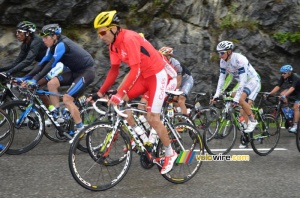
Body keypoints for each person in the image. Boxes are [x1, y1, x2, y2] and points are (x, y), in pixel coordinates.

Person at [91, 10, 177, 174]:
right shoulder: (113, 45)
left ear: (114, 28)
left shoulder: (129, 38)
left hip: (157, 76)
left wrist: (119, 92)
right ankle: (141, 140)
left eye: (103, 31)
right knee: (122, 103)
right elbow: (114, 70)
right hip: (144, 76)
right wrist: (100, 93)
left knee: (152, 118)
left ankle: (170, 153)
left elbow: (135, 70)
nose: (101, 36)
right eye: (98, 33)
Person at [25, 24, 95, 135]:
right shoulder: (52, 47)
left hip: (86, 72)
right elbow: (41, 64)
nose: (43, 40)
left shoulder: (62, 44)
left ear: (54, 36)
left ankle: (80, 129)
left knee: (67, 99)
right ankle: (57, 115)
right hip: (74, 72)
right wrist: (27, 77)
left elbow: (51, 64)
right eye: (42, 37)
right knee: (52, 83)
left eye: (45, 37)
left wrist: (36, 79)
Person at [211, 40, 261, 134]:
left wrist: (237, 99)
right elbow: (221, 79)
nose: (220, 55)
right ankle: (243, 119)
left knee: (240, 99)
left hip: (253, 80)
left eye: (222, 53)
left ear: (229, 51)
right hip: (244, 82)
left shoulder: (240, 60)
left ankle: (253, 121)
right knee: (233, 96)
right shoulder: (223, 61)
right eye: (218, 53)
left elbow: (243, 81)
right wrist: (216, 94)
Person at [158, 46, 193, 116]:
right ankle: (180, 118)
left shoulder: (176, 64)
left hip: (186, 81)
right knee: (172, 101)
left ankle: (186, 121)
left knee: (180, 100)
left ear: (169, 56)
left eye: (164, 56)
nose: (162, 58)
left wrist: (174, 92)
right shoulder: (162, 63)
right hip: (176, 82)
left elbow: (179, 81)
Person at [267, 65, 300, 133]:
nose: (282, 74)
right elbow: (278, 86)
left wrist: (285, 95)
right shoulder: (283, 77)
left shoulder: (295, 77)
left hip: (298, 91)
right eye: (281, 73)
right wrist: (269, 93)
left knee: (296, 107)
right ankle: (289, 113)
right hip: (294, 90)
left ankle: (295, 126)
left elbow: (292, 88)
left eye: (284, 73)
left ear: (289, 72)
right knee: (281, 94)